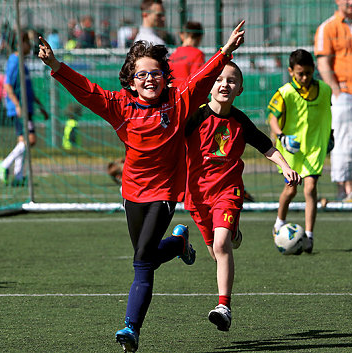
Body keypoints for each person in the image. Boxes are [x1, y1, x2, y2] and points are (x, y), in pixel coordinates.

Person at [38, 21, 245, 352]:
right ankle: (177, 246)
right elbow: (87, 90)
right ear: (130, 81)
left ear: (165, 75)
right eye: (142, 74)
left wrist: (226, 51)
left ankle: (130, 328)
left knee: (142, 262)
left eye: (156, 72)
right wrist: (56, 66)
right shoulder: (120, 106)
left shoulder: (178, 102)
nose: (150, 79)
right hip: (132, 192)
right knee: (145, 255)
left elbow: (203, 77)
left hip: (164, 193)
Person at [184, 61, 301, 332]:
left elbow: (266, 146)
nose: (225, 84)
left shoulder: (239, 121)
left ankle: (223, 307)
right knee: (216, 251)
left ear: (240, 88)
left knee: (222, 245)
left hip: (228, 190)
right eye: (219, 79)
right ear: (209, 85)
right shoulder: (193, 117)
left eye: (232, 80)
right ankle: (234, 234)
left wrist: (285, 166)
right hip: (197, 194)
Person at [268, 49, 332, 254]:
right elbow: (272, 118)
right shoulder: (284, 92)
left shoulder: (324, 89)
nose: (304, 77)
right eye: (299, 74)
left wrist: (330, 135)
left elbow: (326, 113)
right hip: (290, 150)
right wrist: (281, 136)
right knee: (291, 189)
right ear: (291, 71)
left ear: (313, 70)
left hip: (313, 148)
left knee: (310, 188)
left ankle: (309, 236)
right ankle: (279, 222)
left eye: (307, 73)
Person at [314, 0, 352, 201]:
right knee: (344, 141)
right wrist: (336, 90)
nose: (351, 2)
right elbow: (323, 62)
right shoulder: (328, 27)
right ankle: (343, 189)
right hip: (343, 95)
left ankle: (350, 188)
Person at [0, 31, 48, 187]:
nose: (29, 45)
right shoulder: (14, 61)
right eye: (27, 42)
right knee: (30, 140)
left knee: (23, 142)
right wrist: (17, 105)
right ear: (20, 44)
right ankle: (4, 164)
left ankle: (18, 177)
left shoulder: (23, 63)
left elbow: (29, 90)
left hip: (27, 107)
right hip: (20, 109)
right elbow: (7, 85)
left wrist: (40, 107)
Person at [169, 21, 205, 86]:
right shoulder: (198, 54)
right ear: (200, 37)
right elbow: (196, 79)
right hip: (188, 93)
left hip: (173, 93)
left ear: (182, 35)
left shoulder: (173, 55)